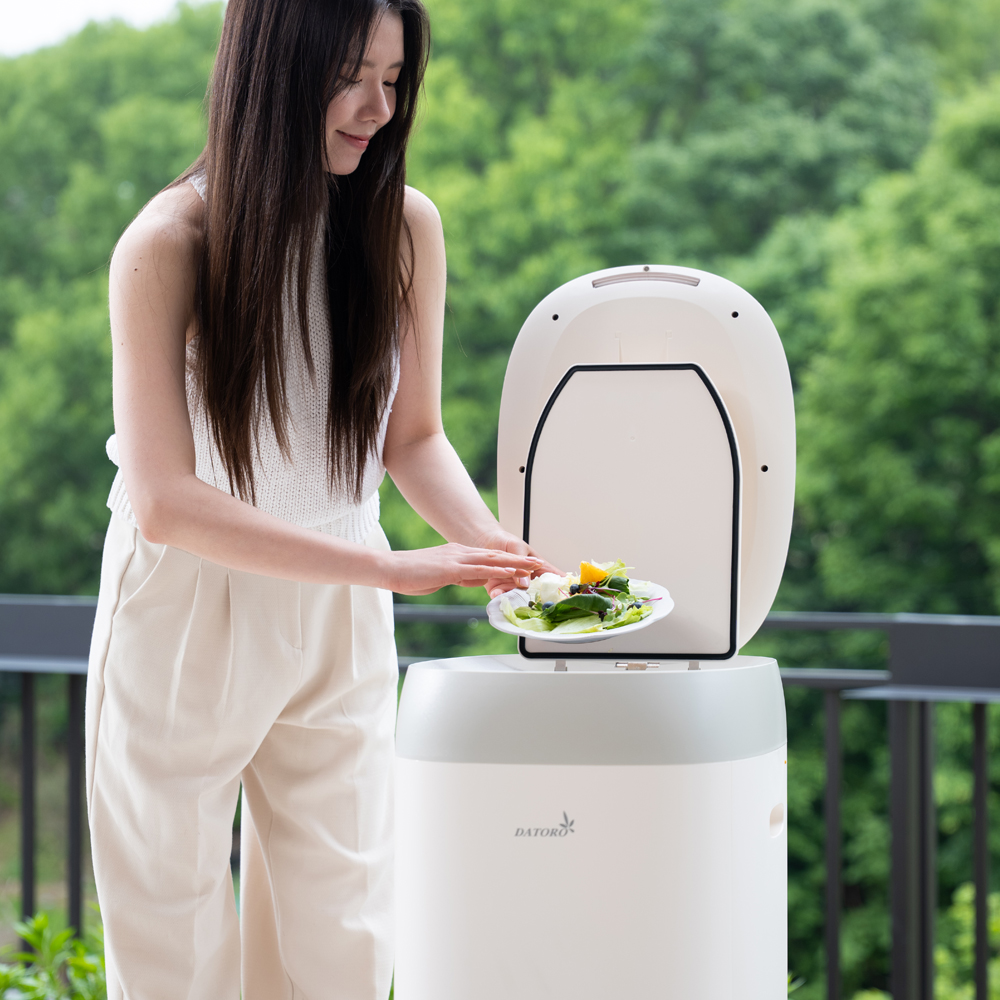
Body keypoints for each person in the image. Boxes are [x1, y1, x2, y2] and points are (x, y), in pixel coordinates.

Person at [85, 1, 549, 996]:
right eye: (350, 76)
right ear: (273, 70)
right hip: (185, 604)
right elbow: (165, 499)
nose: (378, 108)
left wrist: (504, 558)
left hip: (340, 607)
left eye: (394, 79)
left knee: (344, 941)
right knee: (172, 953)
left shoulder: (403, 226)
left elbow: (411, 438)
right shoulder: (168, 242)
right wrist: (387, 566)